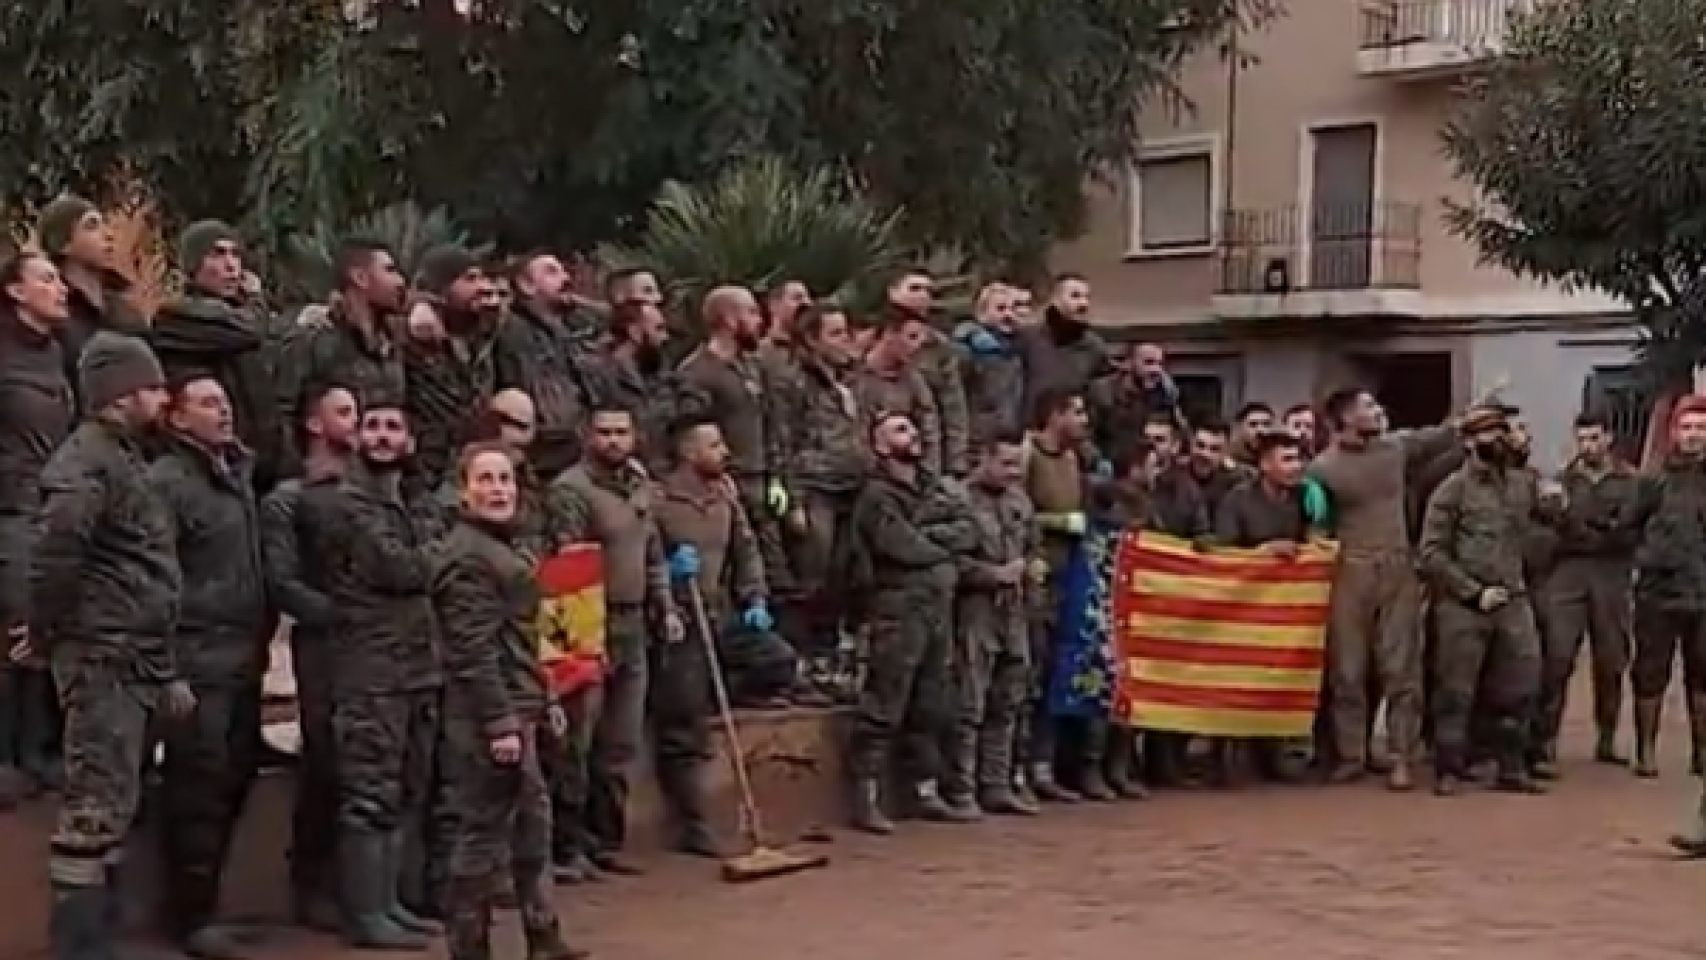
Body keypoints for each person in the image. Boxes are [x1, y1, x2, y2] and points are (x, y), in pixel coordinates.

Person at [31, 332, 191, 960]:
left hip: (134, 656)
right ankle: (80, 946)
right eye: (152, 387)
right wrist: (50, 633)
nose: (163, 398)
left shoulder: (122, 458)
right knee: (94, 808)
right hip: (102, 659)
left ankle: (110, 936)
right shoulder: (85, 465)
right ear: (121, 395)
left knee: (118, 804)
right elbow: (55, 556)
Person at [297, 395, 442, 949]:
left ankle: (390, 902)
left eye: (393, 428)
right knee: (369, 793)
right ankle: (366, 914)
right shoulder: (348, 503)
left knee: (405, 788)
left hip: (416, 664)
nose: (381, 436)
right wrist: (438, 549)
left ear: (409, 442)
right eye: (372, 427)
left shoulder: (410, 499)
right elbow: (402, 568)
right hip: (369, 667)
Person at [433, 441, 584, 960]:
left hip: (519, 705)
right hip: (486, 717)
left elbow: (519, 640)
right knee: (481, 833)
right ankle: (469, 948)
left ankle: (544, 936)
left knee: (532, 826)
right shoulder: (468, 556)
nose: (498, 490)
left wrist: (544, 700)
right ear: (463, 490)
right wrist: (500, 722)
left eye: (505, 480)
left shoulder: (502, 547)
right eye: (486, 480)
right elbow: (472, 651)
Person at [147, 373, 272, 958]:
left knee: (236, 777)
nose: (223, 411)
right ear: (176, 418)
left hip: (242, 656)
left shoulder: (238, 474)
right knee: (197, 788)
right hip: (195, 660)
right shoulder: (167, 484)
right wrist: (166, 670)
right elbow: (153, 583)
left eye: (225, 401)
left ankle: (209, 906)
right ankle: (190, 917)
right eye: (206, 403)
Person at [545, 404, 685, 876]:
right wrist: (584, 636)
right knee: (577, 741)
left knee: (620, 743)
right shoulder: (571, 490)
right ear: (588, 436)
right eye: (604, 432)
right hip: (587, 624)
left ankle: (606, 840)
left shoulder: (639, 486)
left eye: (621, 431)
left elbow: (651, 553)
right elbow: (568, 565)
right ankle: (567, 847)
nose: (613, 440)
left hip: (633, 621)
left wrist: (664, 606)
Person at [1309, 387, 1461, 790]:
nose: (1378, 411)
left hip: (1397, 567)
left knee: (1402, 667)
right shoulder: (1322, 470)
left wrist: (1482, 408)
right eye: (1368, 407)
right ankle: (1350, 754)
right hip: (1348, 569)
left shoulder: (1396, 449)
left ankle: (1401, 756)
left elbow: (1445, 433)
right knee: (1348, 669)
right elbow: (1313, 521)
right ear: (1344, 418)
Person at [843, 412, 975, 834]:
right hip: (897, 608)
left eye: (913, 428)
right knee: (885, 702)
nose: (913, 434)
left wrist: (932, 536)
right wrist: (939, 542)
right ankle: (865, 797)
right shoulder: (876, 495)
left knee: (932, 703)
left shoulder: (932, 486)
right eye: (900, 430)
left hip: (939, 606)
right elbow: (900, 546)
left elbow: (971, 529)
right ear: (880, 446)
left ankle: (924, 789)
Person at [261, 381, 359, 931]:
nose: (358, 422)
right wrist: (339, 612)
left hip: (375, 645)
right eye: (344, 412)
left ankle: (363, 886)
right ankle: (310, 881)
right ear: (315, 425)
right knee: (325, 758)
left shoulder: (370, 491)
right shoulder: (287, 499)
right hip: (322, 641)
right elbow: (283, 581)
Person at [650, 416, 770, 855]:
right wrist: (668, 576)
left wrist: (754, 598)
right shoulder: (659, 501)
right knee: (684, 718)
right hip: (679, 619)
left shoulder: (726, 498)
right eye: (715, 444)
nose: (725, 452)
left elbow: (747, 550)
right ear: (689, 452)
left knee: (776, 661)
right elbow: (641, 559)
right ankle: (693, 822)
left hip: (719, 612)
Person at [1418, 402, 1550, 796]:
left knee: (1521, 684)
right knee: (1456, 690)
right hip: (1463, 606)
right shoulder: (1451, 490)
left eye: (1500, 430)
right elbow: (1431, 554)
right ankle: (1449, 768)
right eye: (1488, 432)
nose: (1498, 439)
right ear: (1470, 441)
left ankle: (1512, 766)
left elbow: (1544, 526)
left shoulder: (1521, 483)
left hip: (1513, 599)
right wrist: (1474, 592)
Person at [0, 251, 75, 807]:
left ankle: (42, 750)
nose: (61, 288)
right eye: (46, 279)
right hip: (12, 507)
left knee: (51, 624)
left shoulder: (59, 353)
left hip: (55, 505)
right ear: (15, 292)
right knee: (20, 627)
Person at [1532, 412, 1638, 772]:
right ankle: (1546, 739)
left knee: (1611, 659)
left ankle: (1606, 737)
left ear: (1609, 439)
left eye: (1595, 438)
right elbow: (1550, 528)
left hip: (1611, 574)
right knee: (1557, 655)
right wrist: (1591, 529)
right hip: (1568, 573)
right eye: (1583, 439)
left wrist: (1581, 527)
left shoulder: (1629, 480)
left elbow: (1628, 529)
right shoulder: (1562, 481)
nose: (1588, 446)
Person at [674, 286, 789, 613]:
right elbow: (691, 436)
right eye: (751, 313)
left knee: (773, 571)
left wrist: (777, 478)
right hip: (726, 485)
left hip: (760, 481)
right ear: (728, 319)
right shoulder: (696, 372)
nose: (759, 321)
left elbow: (770, 423)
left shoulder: (752, 367)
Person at [771, 305, 868, 686]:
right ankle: (800, 658)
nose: (845, 341)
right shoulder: (791, 381)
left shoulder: (845, 382)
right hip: (814, 487)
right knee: (812, 574)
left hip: (852, 487)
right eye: (836, 333)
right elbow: (782, 440)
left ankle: (831, 656)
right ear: (812, 340)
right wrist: (791, 500)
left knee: (845, 575)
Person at [150, 221, 285, 493]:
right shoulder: (179, 316)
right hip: (209, 465)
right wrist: (257, 300)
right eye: (217, 254)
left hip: (257, 463)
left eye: (235, 255)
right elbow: (250, 330)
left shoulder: (240, 317)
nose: (231, 265)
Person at [945, 431, 1040, 818]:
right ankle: (961, 789)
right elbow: (948, 558)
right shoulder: (956, 499)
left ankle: (997, 784)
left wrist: (1034, 566)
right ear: (983, 457)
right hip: (975, 609)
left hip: (1015, 611)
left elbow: (1033, 545)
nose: (1013, 472)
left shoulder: (1020, 501)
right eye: (1005, 463)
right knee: (970, 701)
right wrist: (991, 574)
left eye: (1018, 464)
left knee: (1008, 700)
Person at [1210, 432, 1313, 787]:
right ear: (1265, 465)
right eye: (1286, 459)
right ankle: (1228, 755)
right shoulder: (1237, 501)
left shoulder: (1304, 498)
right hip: (1241, 607)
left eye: (1298, 459)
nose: (1295, 467)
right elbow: (1221, 552)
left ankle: (1277, 753)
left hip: (1284, 609)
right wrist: (1265, 551)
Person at [276, 238, 409, 472]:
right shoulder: (314, 341)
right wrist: (297, 475)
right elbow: (283, 413)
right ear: (360, 278)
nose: (400, 282)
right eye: (390, 270)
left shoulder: (392, 345)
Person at [1626, 395, 1706, 779]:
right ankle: (1645, 751)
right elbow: (1630, 525)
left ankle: (1701, 753)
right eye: (1687, 428)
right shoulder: (1653, 482)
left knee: (1702, 673)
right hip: (1658, 592)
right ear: (1674, 433)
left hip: (1703, 592)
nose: (1693, 436)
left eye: (1700, 429)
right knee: (1650, 672)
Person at [1022, 388, 1093, 803]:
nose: (1084, 420)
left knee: (1056, 671)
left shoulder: (1072, 460)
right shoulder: (1028, 454)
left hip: (1068, 574)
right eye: (1077, 411)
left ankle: (1044, 766)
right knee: (1027, 673)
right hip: (1035, 573)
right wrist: (1056, 521)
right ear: (1055, 415)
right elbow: (1015, 509)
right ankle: (1016, 770)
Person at [499, 253, 608, 478]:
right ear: (526, 285)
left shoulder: (565, 333)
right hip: (549, 460)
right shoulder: (516, 333)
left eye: (564, 271)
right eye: (552, 272)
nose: (566, 278)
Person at [403, 246, 502, 487]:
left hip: (475, 466)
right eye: (470, 279)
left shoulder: (480, 335)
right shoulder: (409, 333)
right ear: (440, 287)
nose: (483, 287)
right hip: (426, 474)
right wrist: (418, 303)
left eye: (482, 278)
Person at [35, 196, 149, 384]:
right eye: (91, 226)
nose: (108, 235)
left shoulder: (125, 309)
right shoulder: (53, 313)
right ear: (63, 244)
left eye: (104, 224)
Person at [888, 269, 969, 478]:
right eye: (914, 288)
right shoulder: (871, 337)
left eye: (928, 291)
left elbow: (953, 407)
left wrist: (956, 461)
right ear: (892, 292)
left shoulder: (939, 347)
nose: (922, 295)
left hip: (929, 450)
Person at [853, 306, 943, 475]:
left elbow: (930, 428)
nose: (917, 347)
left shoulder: (914, 380)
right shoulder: (855, 378)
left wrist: (929, 472)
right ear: (889, 335)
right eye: (912, 337)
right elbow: (858, 437)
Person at [1016, 273, 1109, 420]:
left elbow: (1101, 400)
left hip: (1074, 433)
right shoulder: (1028, 339)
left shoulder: (1094, 347)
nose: (1083, 304)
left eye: (1087, 297)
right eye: (1075, 296)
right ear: (1055, 300)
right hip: (1030, 433)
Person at [1085, 343, 1185, 468]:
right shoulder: (1102, 391)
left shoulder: (1162, 394)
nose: (1156, 370)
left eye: (1160, 364)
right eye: (1149, 362)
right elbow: (1082, 437)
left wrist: (1172, 400)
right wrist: (1097, 462)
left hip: (1147, 469)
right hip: (1108, 470)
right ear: (1128, 363)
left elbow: (1181, 434)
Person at [953, 283, 1028, 440]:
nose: (1008, 315)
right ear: (982, 314)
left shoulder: (1017, 350)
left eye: (1012, 309)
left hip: (1011, 439)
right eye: (1000, 309)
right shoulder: (966, 350)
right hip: (976, 440)